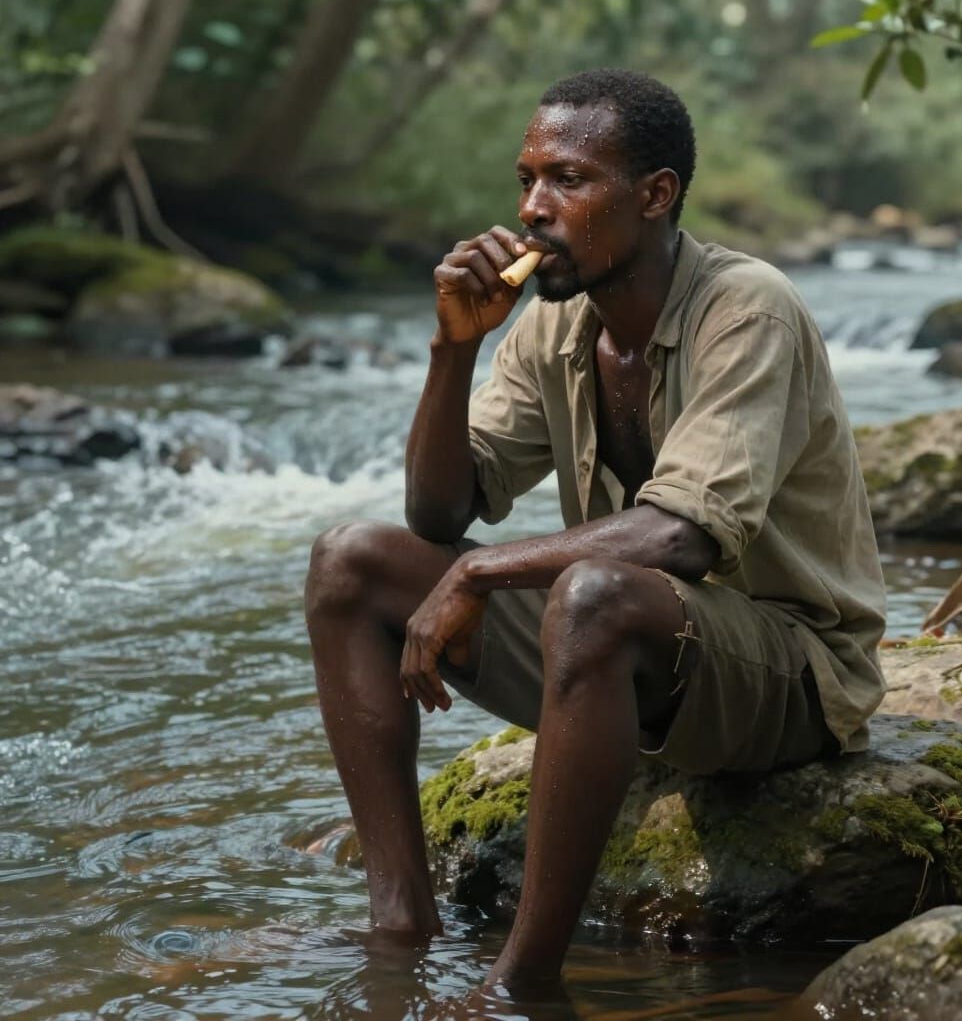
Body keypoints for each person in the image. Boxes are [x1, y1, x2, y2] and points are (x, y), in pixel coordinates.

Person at [304, 68, 887, 994]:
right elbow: (438, 514)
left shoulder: (748, 306)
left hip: (788, 675)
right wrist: (453, 349)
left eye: (568, 181)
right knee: (350, 562)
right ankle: (399, 922)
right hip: (635, 657)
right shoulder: (553, 327)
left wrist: (481, 575)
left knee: (594, 593)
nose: (534, 209)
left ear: (654, 196)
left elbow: (682, 539)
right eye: (527, 180)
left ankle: (521, 984)